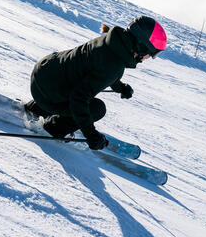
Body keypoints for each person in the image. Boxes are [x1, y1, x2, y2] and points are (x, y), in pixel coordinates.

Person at [23, 16, 167, 150]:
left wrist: (121, 88)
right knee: (97, 108)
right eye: (152, 53)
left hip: (43, 74)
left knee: (74, 80)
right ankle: (53, 129)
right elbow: (78, 101)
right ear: (141, 45)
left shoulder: (111, 42)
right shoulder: (113, 66)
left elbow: (98, 70)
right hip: (47, 94)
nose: (149, 58)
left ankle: (35, 109)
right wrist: (91, 135)